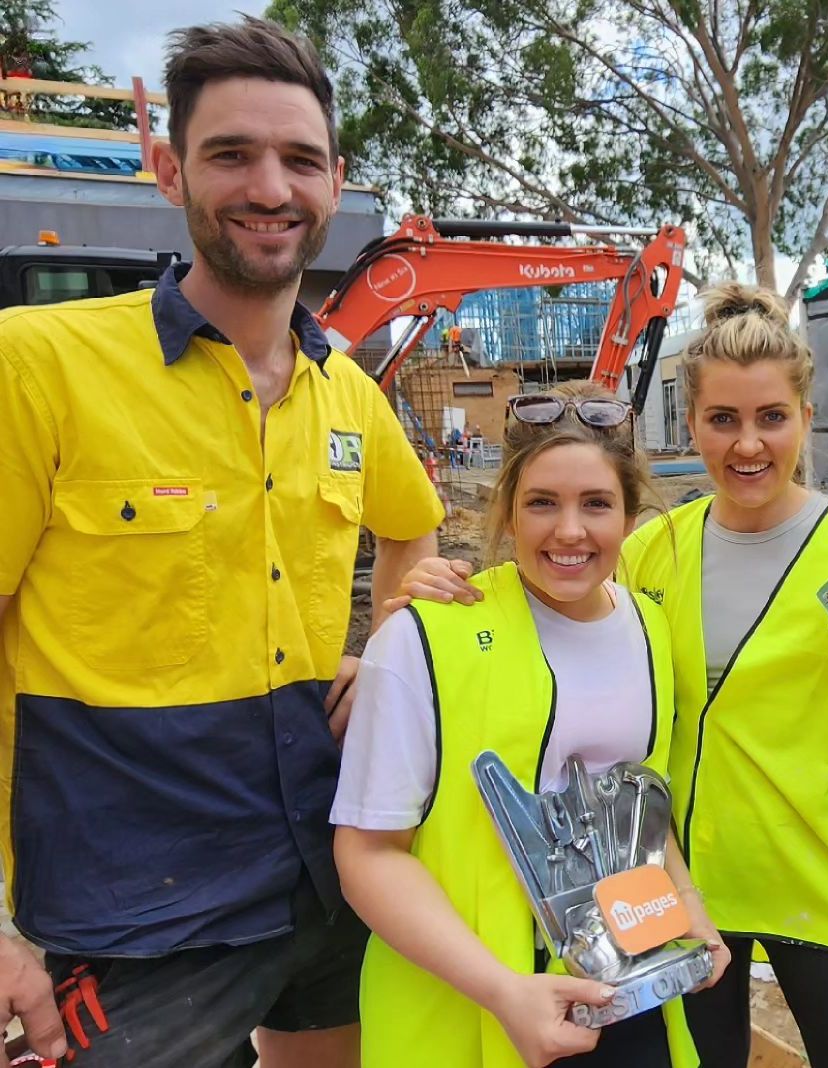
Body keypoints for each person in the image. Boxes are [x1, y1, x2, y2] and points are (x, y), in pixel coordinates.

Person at [0, 16, 443, 1068]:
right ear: (169, 170)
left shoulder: (347, 391)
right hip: (134, 913)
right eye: (230, 154)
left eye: (298, 159)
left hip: (329, 868)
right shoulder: (40, 366)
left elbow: (415, 529)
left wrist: (383, 652)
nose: (268, 187)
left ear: (335, 183)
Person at [396, 285, 828, 1068]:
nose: (748, 445)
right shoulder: (656, 549)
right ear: (693, 425)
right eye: (724, 420)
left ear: (806, 420)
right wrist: (445, 591)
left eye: (771, 418)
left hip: (823, 883)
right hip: (677, 891)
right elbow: (546, 624)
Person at [331, 382, 728, 1068]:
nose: (569, 530)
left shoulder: (647, 628)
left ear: (631, 515)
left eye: (596, 504)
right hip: (472, 1010)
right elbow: (367, 856)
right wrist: (504, 991)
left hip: (628, 1001)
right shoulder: (424, 639)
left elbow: (638, 815)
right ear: (507, 513)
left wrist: (691, 912)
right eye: (543, 502)